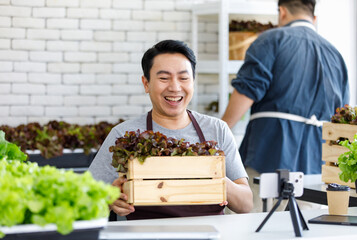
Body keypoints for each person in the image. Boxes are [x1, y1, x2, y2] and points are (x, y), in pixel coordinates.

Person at [89, 40, 253, 220]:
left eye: (183, 78)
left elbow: (245, 205)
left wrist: (214, 177)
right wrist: (111, 198)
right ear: (146, 84)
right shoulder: (123, 134)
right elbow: (88, 196)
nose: (175, 87)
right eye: (164, 78)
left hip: (210, 233)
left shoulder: (217, 129)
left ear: (193, 82)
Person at [221, 0, 349, 211]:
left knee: (252, 226)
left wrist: (216, 139)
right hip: (316, 167)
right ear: (314, 18)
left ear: (281, 12)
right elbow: (342, 117)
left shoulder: (271, 40)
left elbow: (247, 91)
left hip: (269, 158)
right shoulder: (336, 54)